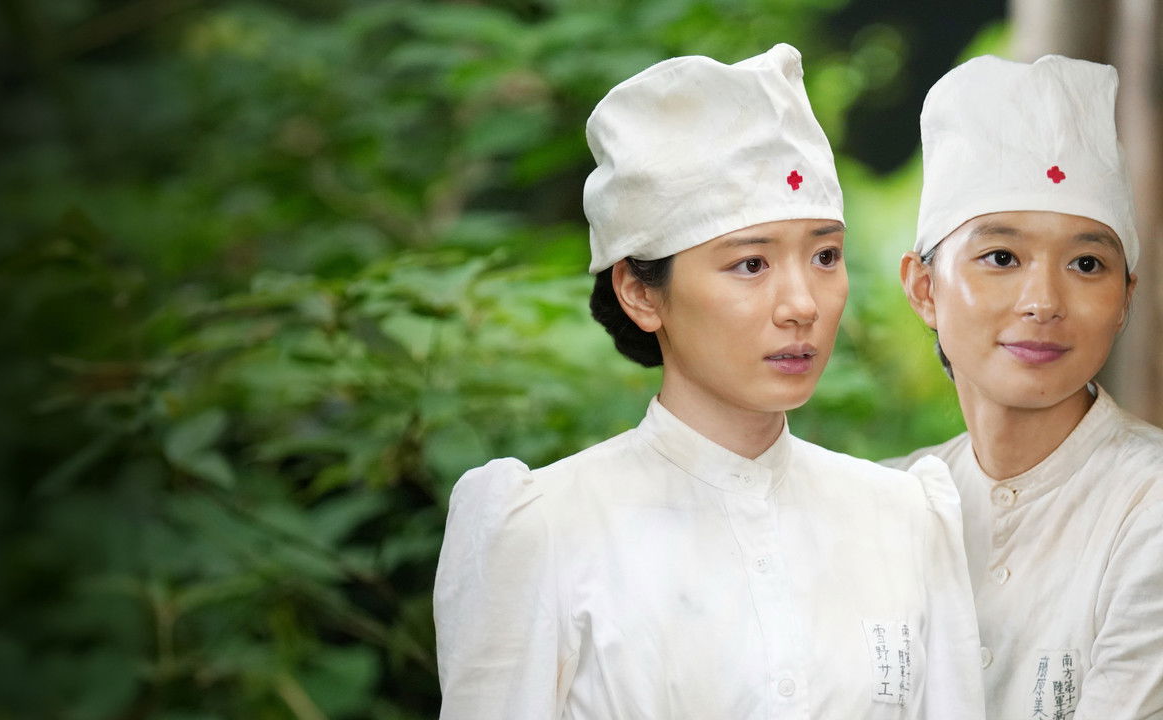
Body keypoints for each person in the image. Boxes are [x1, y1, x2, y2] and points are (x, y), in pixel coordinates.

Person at [433, 45, 985, 719]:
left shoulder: (905, 517)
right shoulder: (548, 528)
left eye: (825, 256)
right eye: (751, 264)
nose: (802, 304)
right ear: (640, 291)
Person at [888, 53, 1163, 719]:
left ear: (1125, 298)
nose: (1043, 301)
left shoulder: (1149, 505)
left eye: (1087, 263)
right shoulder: (885, 505)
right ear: (924, 289)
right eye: (1002, 257)